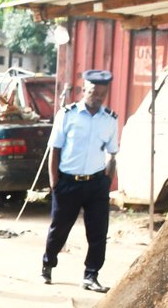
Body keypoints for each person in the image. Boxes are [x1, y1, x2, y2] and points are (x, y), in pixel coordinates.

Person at [42, 69, 119, 293]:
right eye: (94, 92)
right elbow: (54, 150)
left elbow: (112, 153)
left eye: (102, 94)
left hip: (96, 184)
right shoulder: (67, 115)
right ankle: (48, 263)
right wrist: (54, 182)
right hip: (68, 182)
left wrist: (107, 181)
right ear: (84, 89)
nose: (98, 97)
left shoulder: (110, 120)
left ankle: (91, 275)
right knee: (59, 229)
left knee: (98, 233)